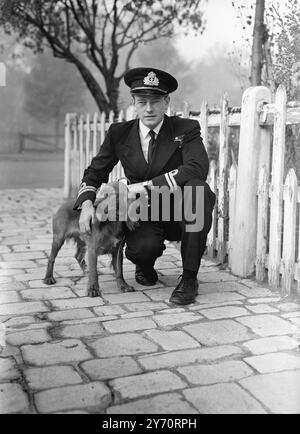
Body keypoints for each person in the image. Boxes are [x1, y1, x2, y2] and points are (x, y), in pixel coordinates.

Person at [74, 67, 216, 305]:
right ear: (134, 103)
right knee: (141, 249)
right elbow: (95, 171)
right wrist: (87, 203)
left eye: (155, 101)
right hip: (143, 213)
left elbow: (197, 168)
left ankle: (189, 278)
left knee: (199, 190)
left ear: (166, 102)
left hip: (180, 211)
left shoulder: (186, 129)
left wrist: (144, 187)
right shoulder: (119, 133)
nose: (149, 108)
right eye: (142, 102)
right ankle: (145, 266)